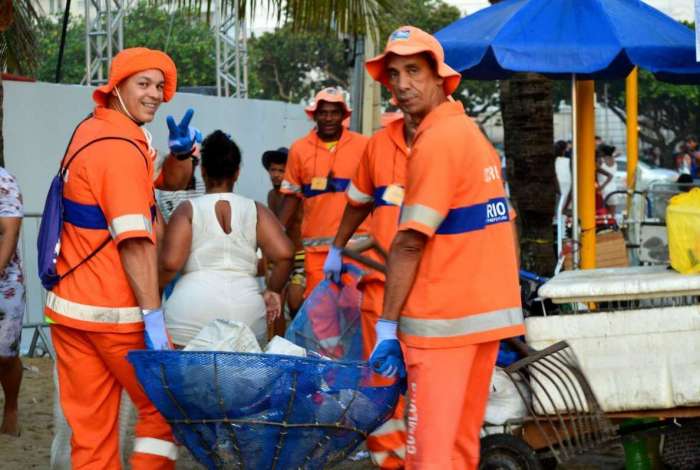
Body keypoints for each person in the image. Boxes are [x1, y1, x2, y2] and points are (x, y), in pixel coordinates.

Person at [366, 26, 525, 469]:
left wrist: (387, 325)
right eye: (394, 74)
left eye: (413, 70)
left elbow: (410, 242)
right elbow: (505, 224)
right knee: (459, 450)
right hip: (481, 321)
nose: (401, 84)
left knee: (429, 456)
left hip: (441, 325)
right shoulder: (473, 137)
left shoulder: (436, 141)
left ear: (440, 77)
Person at [44, 47, 200, 469]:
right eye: (142, 84)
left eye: (158, 86)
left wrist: (180, 158)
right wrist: (153, 318)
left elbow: (151, 187)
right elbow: (134, 240)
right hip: (114, 314)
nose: (154, 94)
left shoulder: (93, 131)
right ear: (115, 88)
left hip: (70, 311)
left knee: (93, 431)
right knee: (163, 411)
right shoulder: (120, 149)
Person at [160, 131, 294, 347]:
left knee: (186, 380)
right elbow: (285, 254)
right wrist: (273, 290)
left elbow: (169, 263)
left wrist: (153, 293)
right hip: (246, 315)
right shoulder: (256, 209)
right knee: (242, 379)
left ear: (203, 171)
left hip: (190, 311)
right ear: (237, 173)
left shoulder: (187, 209)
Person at [278, 87, 370, 298]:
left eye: (334, 112)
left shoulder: (364, 145)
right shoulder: (299, 149)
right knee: (322, 316)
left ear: (343, 115)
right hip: (317, 253)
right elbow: (290, 197)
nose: (328, 118)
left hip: (357, 249)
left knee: (357, 313)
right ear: (315, 115)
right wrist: (275, 233)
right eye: (323, 112)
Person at [262, 147, 305, 318]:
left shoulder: (298, 195)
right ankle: (278, 342)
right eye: (273, 169)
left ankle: (297, 338)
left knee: (295, 302)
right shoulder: (272, 195)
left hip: (300, 255)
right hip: (280, 256)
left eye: (281, 170)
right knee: (275, 304)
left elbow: (281, 226)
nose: (276, 174)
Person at [0, 168, 24, 437]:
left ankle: (12, 407)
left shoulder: (3, 181)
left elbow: (9, 232)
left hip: (6, 283)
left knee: (5, 356)